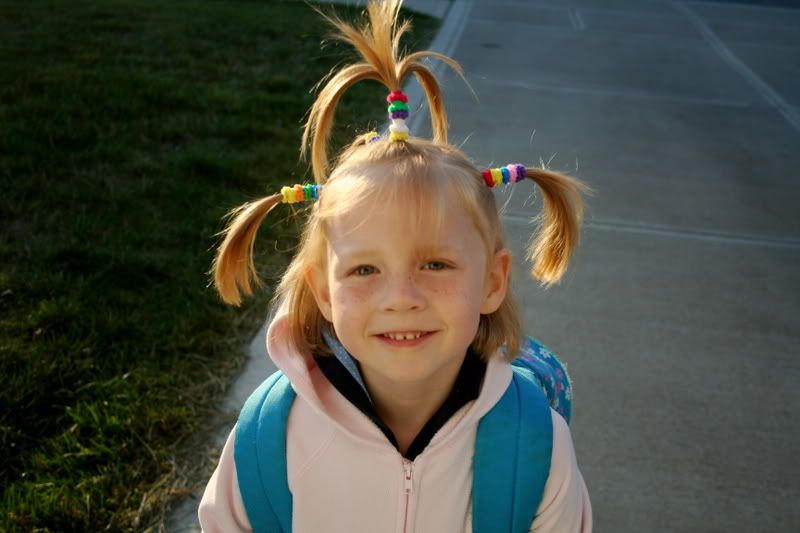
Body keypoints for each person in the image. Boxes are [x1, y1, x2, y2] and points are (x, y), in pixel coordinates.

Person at [198, 1, 592, 531]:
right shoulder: (270, 439)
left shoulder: (534, 444)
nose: (401, 296)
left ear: (493, 282)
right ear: (323, 291)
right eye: (364, 270)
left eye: (435, 263)